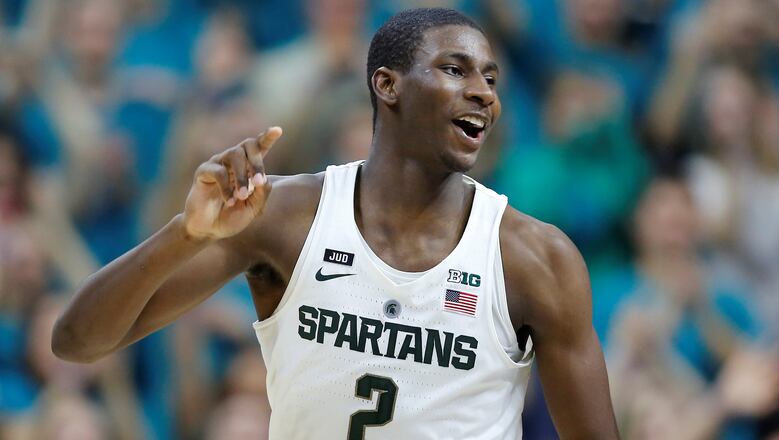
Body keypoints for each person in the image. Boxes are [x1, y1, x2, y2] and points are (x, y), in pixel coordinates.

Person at [52, 8, 618, 439]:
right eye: (455, 69)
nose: (482, 93)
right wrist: (186, 233)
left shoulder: (533, 257)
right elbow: (77, 340)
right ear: (387, 85)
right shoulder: (283, 218)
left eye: (491, 79)